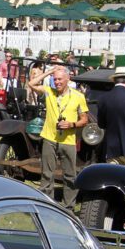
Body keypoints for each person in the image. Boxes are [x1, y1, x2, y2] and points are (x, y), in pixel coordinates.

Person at [31, 65, 90, 207]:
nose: (57, 82)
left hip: (68, 141)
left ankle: (68, 207)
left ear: (68, 79)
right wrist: (50, 71)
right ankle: (46, 204)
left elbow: (84, 119)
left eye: (60, 79)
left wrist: (71, 125)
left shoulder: (78, 96)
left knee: (70, 176)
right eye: (55, 79)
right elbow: (31, 84)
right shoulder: (49, 92)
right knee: (47, 174)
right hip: (49, 138)